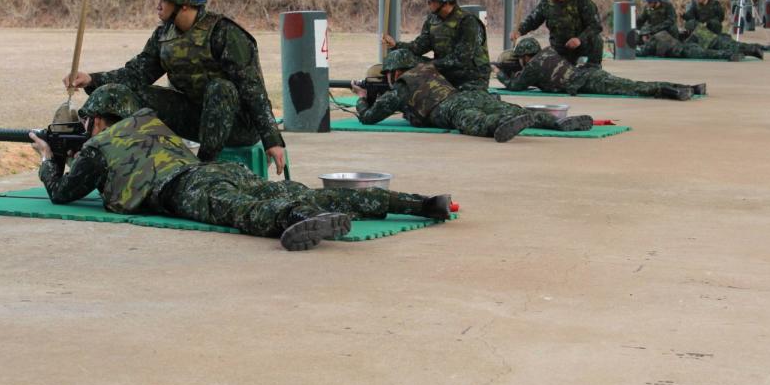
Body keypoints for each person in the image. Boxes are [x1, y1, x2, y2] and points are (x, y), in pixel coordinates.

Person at [30, 84, 453, 252]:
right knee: (304, 189)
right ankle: (420, 203)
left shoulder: (99, 144)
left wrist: (49, 162)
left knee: (243, 211)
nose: (88, 127)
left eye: (90, 121)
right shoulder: (150, 123)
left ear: (100, 118)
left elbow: (63, 193)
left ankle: (304, 221)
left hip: (185, 189)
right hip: (217, 169)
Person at [63, 0, 285, 172]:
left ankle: (203, 169)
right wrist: (92, 80)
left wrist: (272, 140)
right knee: (132, 93)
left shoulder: (224, 34)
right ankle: (90, 147)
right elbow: (136, 74)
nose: (158, 4)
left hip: (239, 127)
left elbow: (253, 89)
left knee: (220, 88)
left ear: (184, 3)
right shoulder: (163, 35)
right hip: (197, 118)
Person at [350, 49, 593, 143]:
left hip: (449, 109)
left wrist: (362, 97)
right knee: (512, 109)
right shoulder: (428, 69)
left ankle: (501, 125)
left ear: (395, 71)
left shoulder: (402, 86)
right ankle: (557, 122)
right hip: (467, 94)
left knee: (473, 121)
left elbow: (370, 117)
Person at [500, 38, 705, 100]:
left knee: (632, 88)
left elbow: (516, 86)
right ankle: (690, 88)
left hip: (586, 81)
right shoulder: (548, 52)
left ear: (526, 56)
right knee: (631, 85)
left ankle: (673, 91)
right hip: (587, 73)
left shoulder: (533, 66)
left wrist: (500, 75)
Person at [382, 0, 490, 90]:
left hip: (471, 77)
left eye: (431, 0)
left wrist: (427, 66)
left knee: (452, 103)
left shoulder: (468, 22)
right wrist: (395, 45)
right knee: (400, 55)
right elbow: (419, 47)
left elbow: (461, 60)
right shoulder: (433, 20)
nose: (428, 3)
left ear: (445, 1)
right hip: (444, 72)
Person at [511, 0, 604, 68]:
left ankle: (593, 68)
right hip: (561, 48)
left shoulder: (582, 0)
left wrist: (579, 39)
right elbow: (533, 20)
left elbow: (596, 25)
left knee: (596, 39)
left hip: (581, 44)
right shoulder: (546, 3)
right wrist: (520, 31)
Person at [635, 30, 743, 61]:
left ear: (647, 36)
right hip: (687, 47)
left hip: (685, 51)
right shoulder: (662, 33)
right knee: (708, 53)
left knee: (708, 54)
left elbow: (641, 52)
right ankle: (732, 53)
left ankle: (730, 54)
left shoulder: (652, 43)